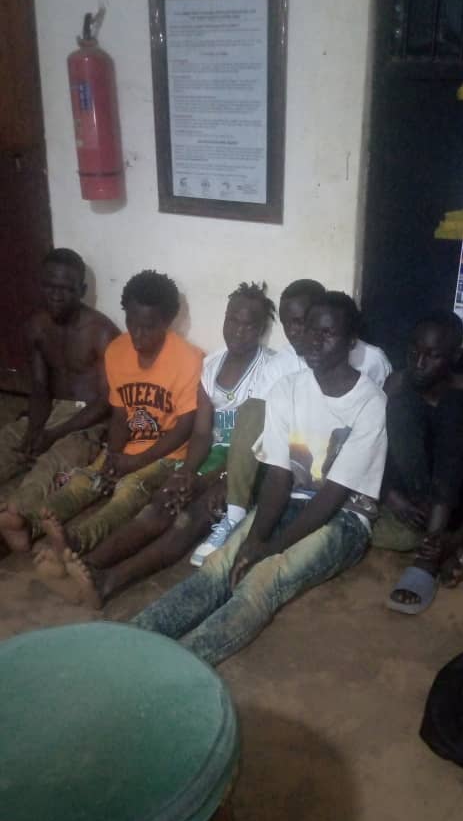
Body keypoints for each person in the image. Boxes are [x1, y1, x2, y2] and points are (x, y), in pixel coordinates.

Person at [129, 292, 387, 666]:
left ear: (350, 342)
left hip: (344, 517)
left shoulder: (370, 402)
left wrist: (271, 548)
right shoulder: (287, 389)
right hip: (293, 498)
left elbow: (333, 495)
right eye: (311, 330)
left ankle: (178, 668)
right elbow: (279, 476)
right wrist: (254, 538)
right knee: (221, 565)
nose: (315, 341)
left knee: (263, 580)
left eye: (328, 333)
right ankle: (130, 641)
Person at [35, 282, 276, 605]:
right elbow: (201, 433)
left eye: (249, 325)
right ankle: (89, 565)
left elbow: (261, 444)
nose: (238, 331)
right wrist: (187, 473)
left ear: (261, 329)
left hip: (247, 466)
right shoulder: (211, 366)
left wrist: (208, 480)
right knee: (163, 504)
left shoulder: (271, 371)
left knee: (186, 521)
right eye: (232, 320)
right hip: (211, 458)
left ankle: (109, 582)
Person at [0, 269, 203, 556]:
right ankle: (28, 524)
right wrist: (114, 456)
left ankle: (78, 539)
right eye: (131, 322)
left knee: (130, 490)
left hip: (168, 455)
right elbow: (120, 414)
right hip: (128, 448)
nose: (137, 334)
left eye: (148, 327)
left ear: (167, 321)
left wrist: (134, 463)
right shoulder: (118, 351)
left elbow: (184, 427)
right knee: (87, 480)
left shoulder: (188, 359)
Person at [191, 279, 392, 565]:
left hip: (345, 466)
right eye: (288, 324)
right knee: (253, 410)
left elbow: (378, 427)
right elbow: (260, 432)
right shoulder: (281, 366)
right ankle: (235, 514)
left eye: (302, 322)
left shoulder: (371, 360)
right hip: (290, 461)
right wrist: (229, 479)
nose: (296, 332)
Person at [0, 248, 119, 550]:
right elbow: (40, 386)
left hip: (87, 419)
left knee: (51, 465)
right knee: (10, 442)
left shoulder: (101, 332)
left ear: (81, 290)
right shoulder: (37, 326)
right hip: (51, 409)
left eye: (66, 289)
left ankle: (15, 519)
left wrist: (54, 434)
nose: (56, 295)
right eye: (50, 286)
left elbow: (107, 400)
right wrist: (34, 429)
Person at [372, 310, 463, 613]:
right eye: (413, 352)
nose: (419, 363)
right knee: (402, 406)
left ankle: (431, 554)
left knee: (455, 408)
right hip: (412, 502)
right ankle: (441, 544)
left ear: (454, 357)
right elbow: (371, 447)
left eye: (432, 356)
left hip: (458, 499)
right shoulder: (396, 385)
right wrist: (391, 496)